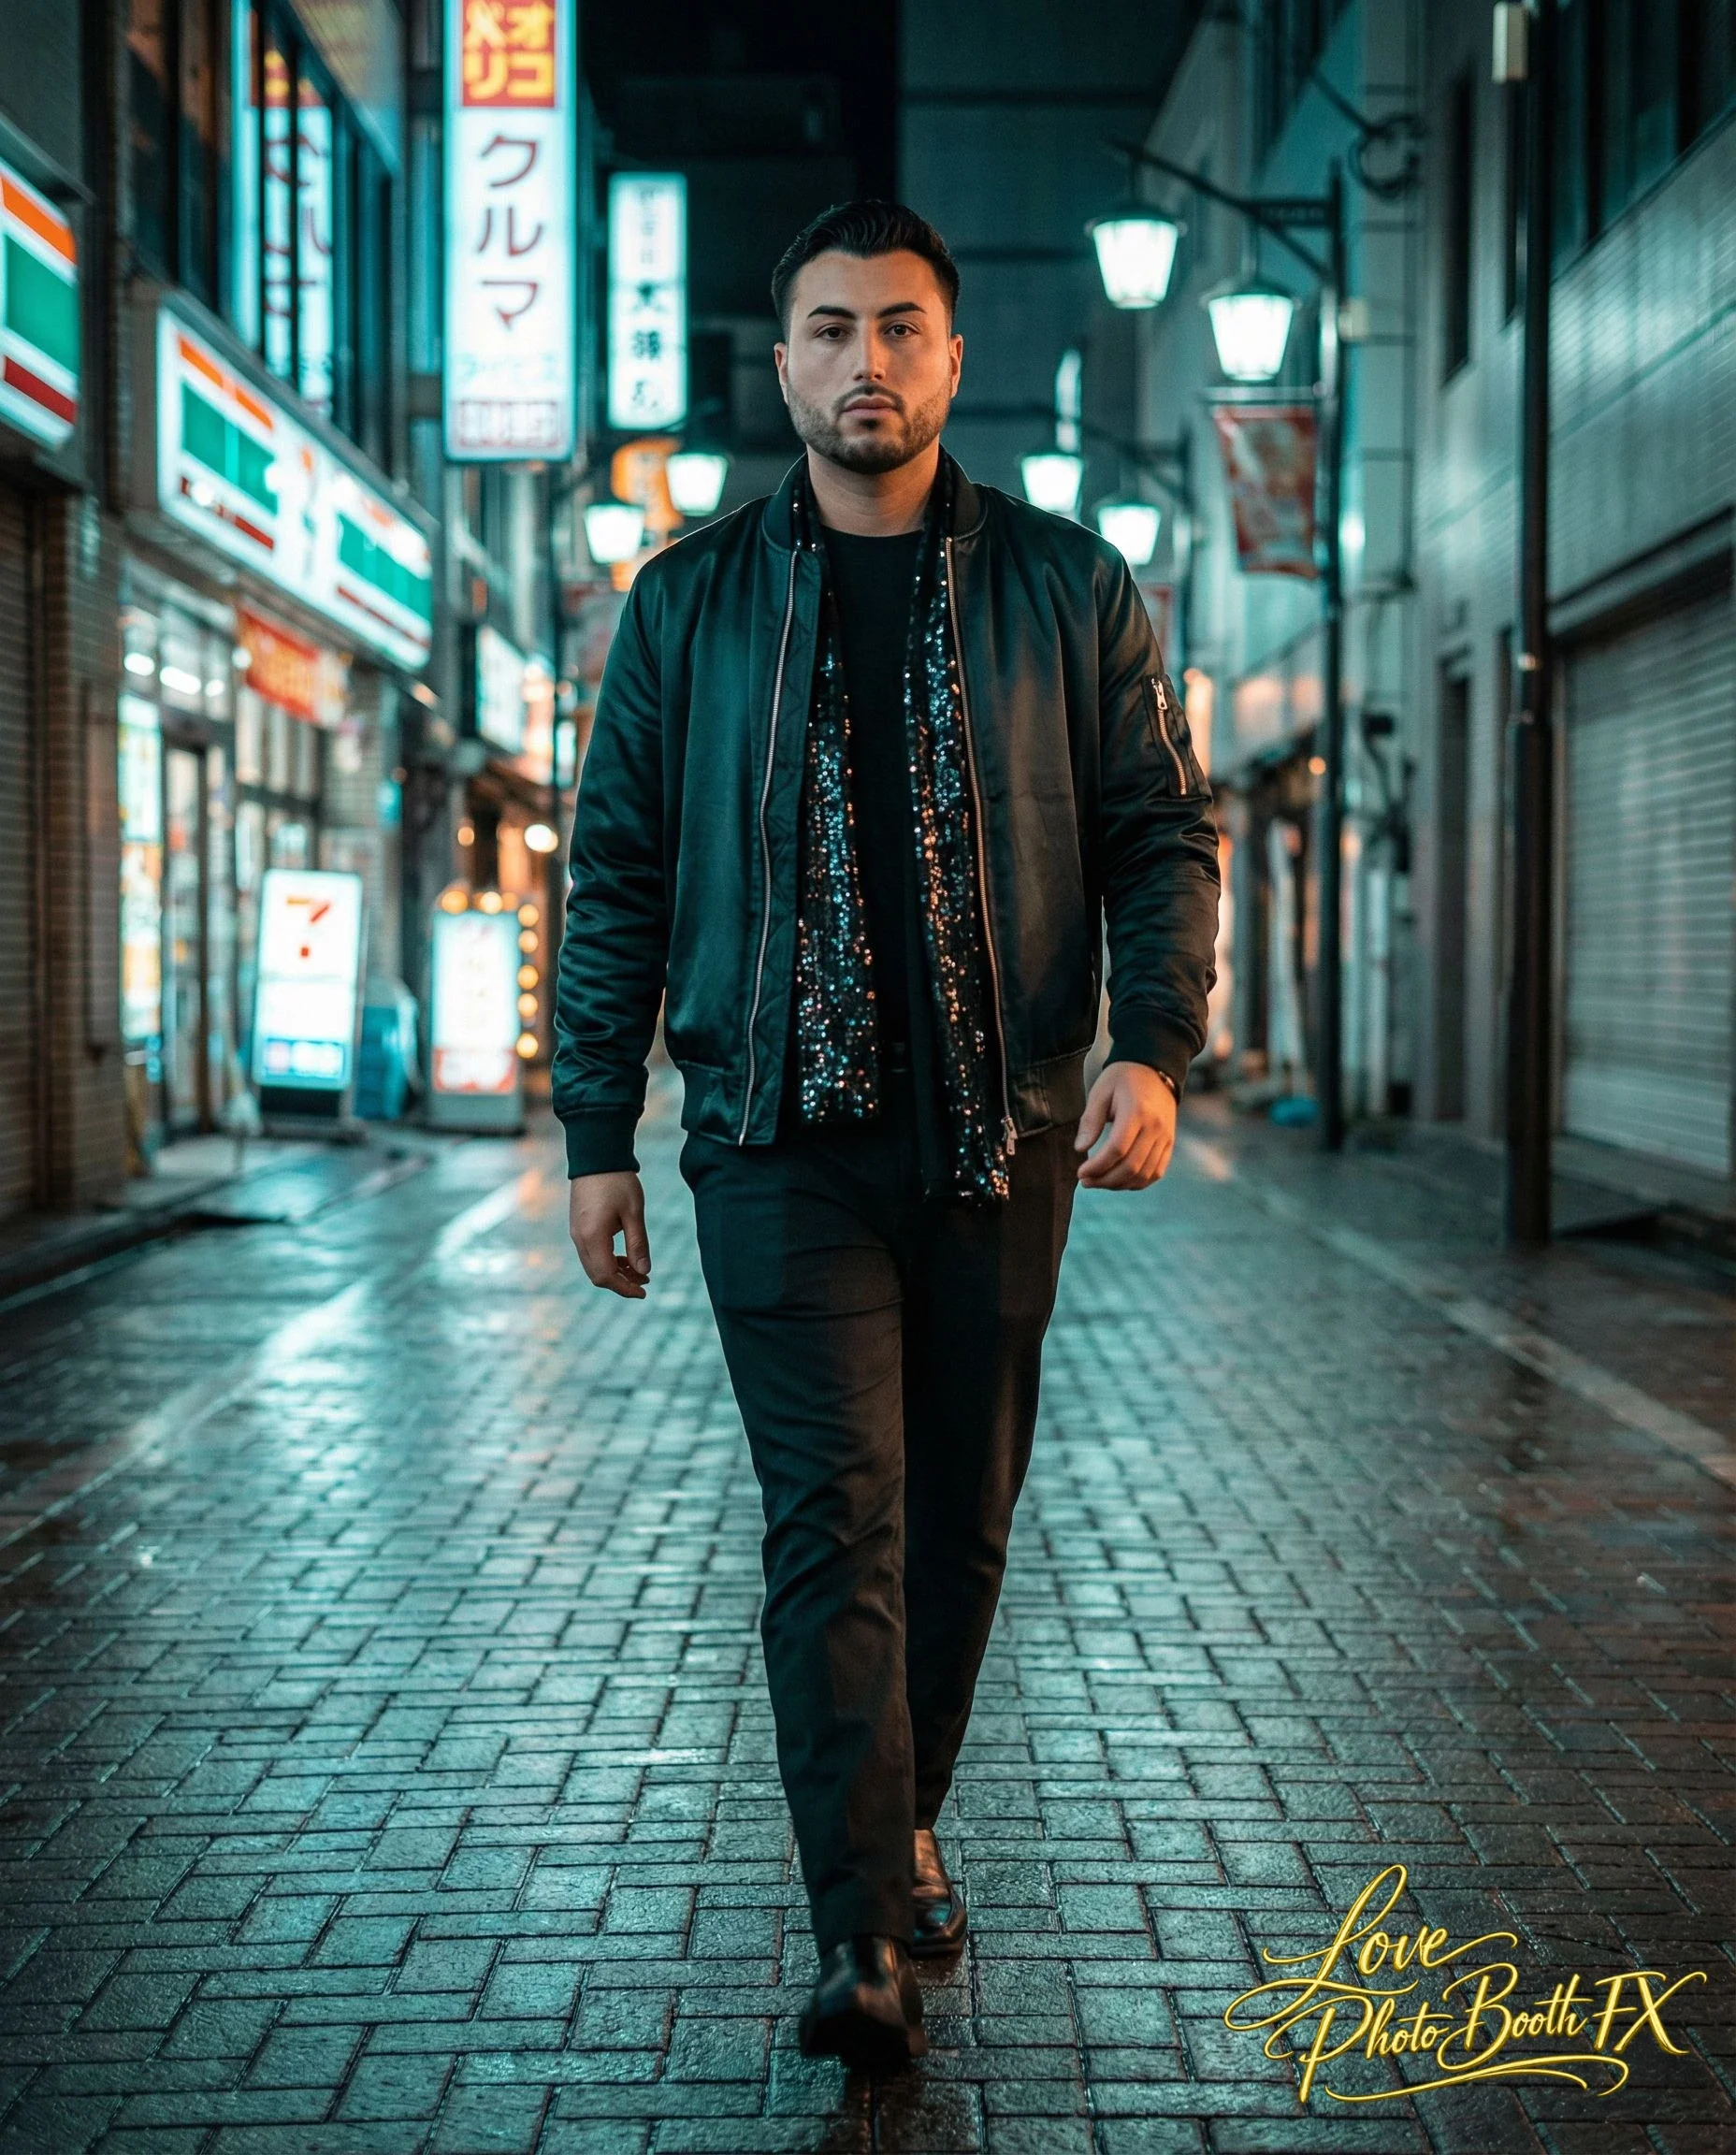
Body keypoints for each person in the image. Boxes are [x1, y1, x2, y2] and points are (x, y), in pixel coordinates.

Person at [554, 200, 1219, 2071]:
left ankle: (903, 1814)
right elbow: (615, 873)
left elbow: (1158, 831)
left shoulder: (1069, 586)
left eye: (900, 326)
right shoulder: (688, 601)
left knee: (959, 1515)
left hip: (998, 1134)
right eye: (831, 328)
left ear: (950, 356)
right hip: (774, 1139)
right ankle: (857, 1924)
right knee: (831, 1513)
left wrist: (1152, 1047)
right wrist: (595, 1126)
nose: (867, 360)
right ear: (782, 366)